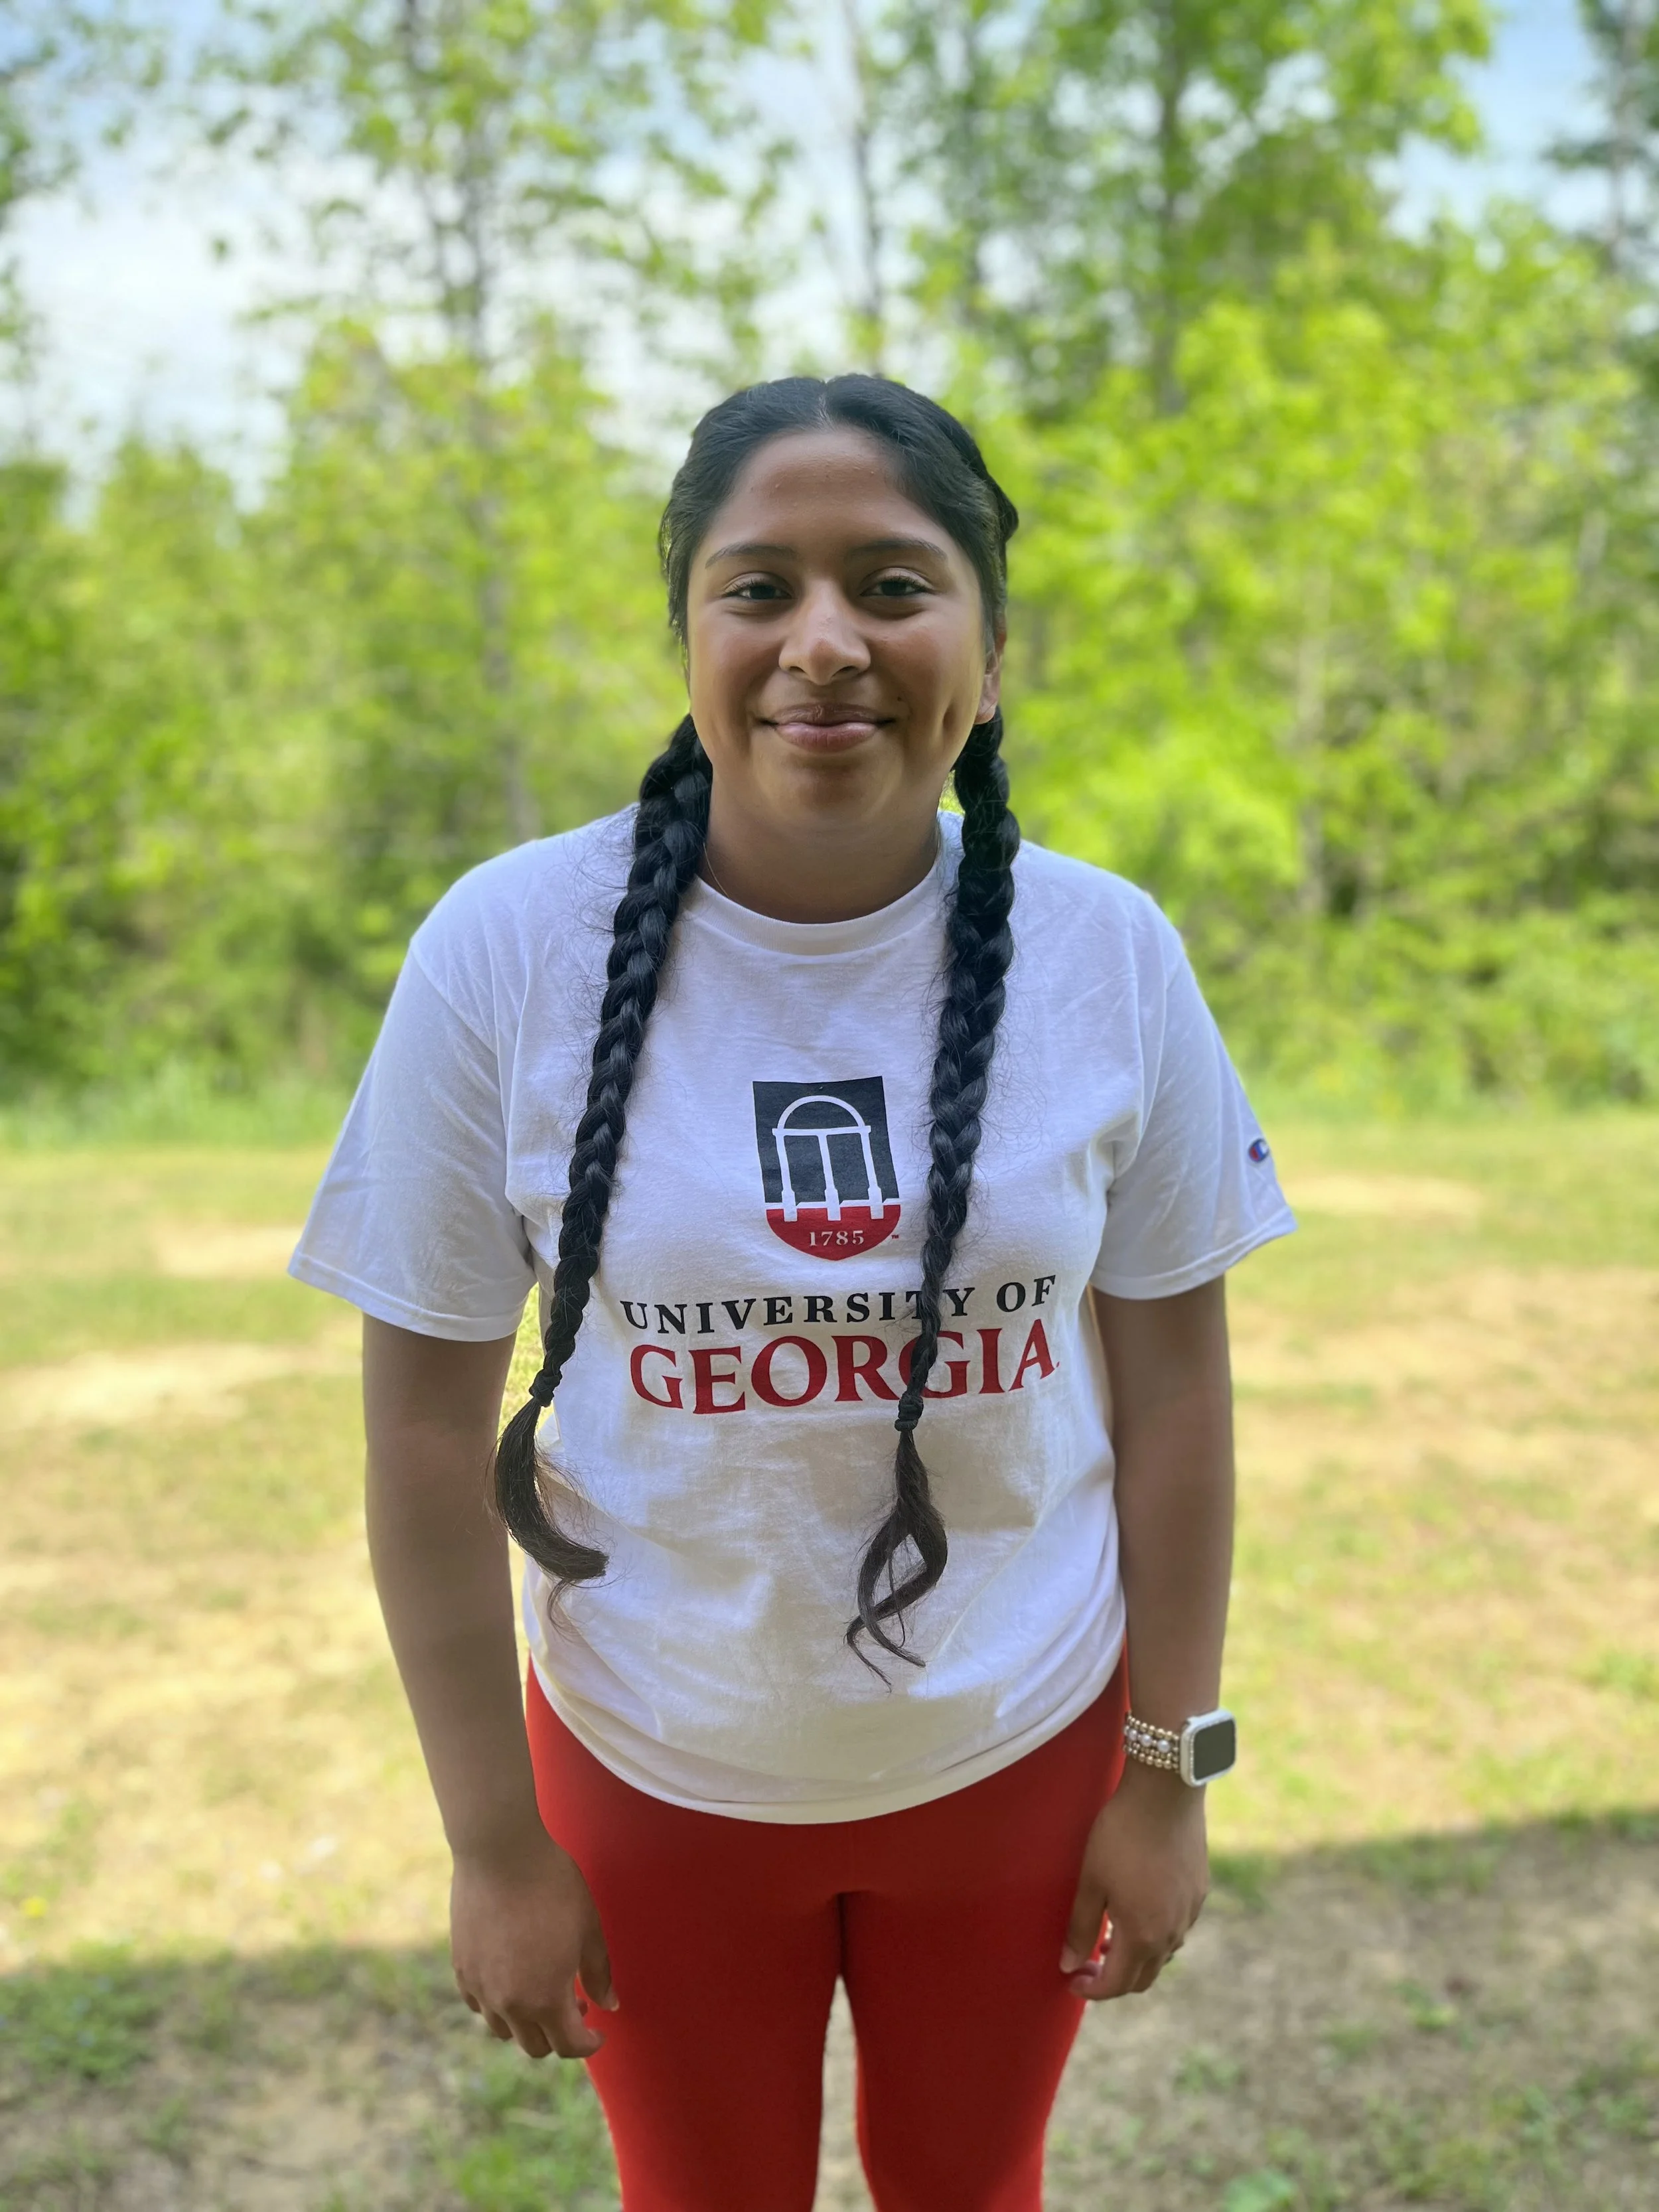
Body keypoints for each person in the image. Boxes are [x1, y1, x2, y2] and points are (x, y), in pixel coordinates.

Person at [290, 374, 1295, 2212]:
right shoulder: (506, 949)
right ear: (686, 631)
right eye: (758, 587)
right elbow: (427, 1438)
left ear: (987, 648)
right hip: (653, 1763)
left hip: (1015, 1746)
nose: (822, 642)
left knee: (968, 2189)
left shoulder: (1106, 954)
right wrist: (493, 1841)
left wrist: (1168, 1770)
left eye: (892, 585)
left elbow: (1173, 1398)